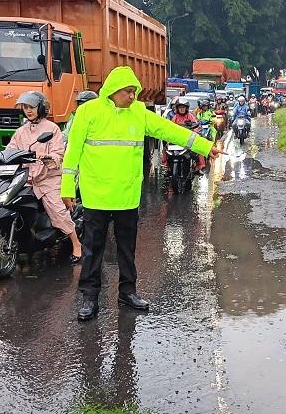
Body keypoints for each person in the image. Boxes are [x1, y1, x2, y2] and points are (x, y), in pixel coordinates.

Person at [61, 66, 224, 321]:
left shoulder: (139, 113)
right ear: (114, 90)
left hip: (126, 195)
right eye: (128, 91)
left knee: (127, 249)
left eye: (134, 91)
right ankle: (89, 298)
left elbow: (170, 130)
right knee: (93, 250)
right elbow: (71, 153)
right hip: (96, 195)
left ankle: (128, 292)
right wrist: (67, 187)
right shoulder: (88, 113)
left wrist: (205, 146)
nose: (133, 96)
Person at [7, 91, 82, 264]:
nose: (28, 111)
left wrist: (49, 158)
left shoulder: (52, 128)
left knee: (57, 210)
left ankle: (76, 243)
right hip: (27, 178)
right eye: (25, 108)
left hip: (48, 178)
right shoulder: (21, 131)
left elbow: (58, 152)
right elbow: (11, 149)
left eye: (31, 107)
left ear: (40, 107)